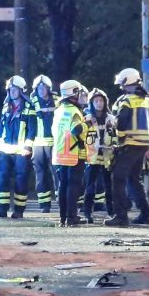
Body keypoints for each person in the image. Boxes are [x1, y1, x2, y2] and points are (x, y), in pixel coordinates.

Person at [105, 67, 149, 226]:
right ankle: (145, 215)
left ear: (128, 83)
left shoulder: (126, 101)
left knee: (118, 178)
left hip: (129, 144)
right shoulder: (146, 100)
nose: (121, 87)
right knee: (134, 179)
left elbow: (121, 123)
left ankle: (121, 217)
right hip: (142, 145)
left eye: (122, 84)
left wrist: (118, 140)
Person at [0, 75, 35, 219]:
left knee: (21, 179)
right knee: (1, 177)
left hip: (21, 150)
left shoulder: (29, 107)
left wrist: (28, 147)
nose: (12, 92)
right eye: (10, 89)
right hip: (5, 149)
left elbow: (32, 129)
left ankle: (19, 210)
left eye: (15, 89)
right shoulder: (6, 107)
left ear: (21, 90)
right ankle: (2, 209)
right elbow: (1, 128)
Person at [52, 80, 88, 227]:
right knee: (73, 186)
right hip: (73, 153)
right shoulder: (74, 111)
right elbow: (76, 130)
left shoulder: (59, 109)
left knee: (63, 186)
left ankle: (63, 217)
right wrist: (87, 124)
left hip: (60, 153)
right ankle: (71, 217)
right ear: (74, 93)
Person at [83, 87, 114, 223]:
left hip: (108, 156)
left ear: (105, 102)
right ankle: (87, 213)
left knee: (109, 186)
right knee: (90, 186)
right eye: (96, 101)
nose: (99, 103)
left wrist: (114, 145)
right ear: (91, 103)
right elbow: (83, 136)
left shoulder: (111, 119)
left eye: (101, 101)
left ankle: (112, 213)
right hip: (92, 157)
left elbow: (116, 135)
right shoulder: (87, 119)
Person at [28, 75, 56, 213]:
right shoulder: (32, 102)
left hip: (55, 144)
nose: (41, 90)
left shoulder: (57, 101)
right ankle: (44, 204)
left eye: (43, 87)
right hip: (38, 145)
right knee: (40, 175)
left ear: (48, 88)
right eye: (39, 88)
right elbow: (30, 125)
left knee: (57, 174)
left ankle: (61, 200)